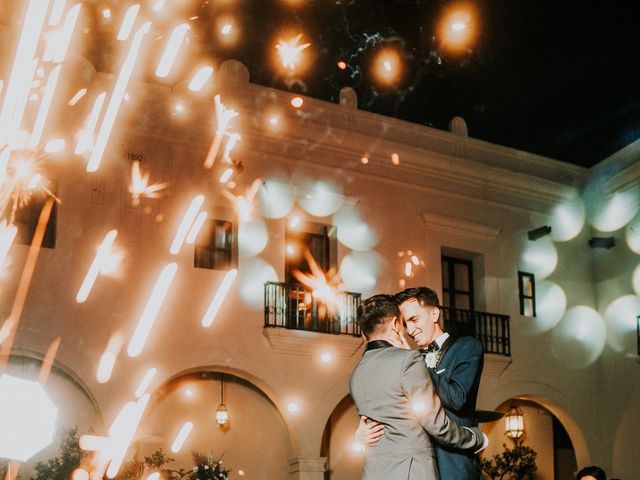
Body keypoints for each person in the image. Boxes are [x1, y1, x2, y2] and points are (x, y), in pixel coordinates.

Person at [349, 294, 487, 479]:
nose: (410, 330)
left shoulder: (466, 346)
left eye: (414, 319)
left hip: (453, 465)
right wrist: (361, 433)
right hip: (415, 468)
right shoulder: (406, 360)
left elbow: (457, 398)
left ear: (434, 313)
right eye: (405, 323)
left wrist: (418, 364)